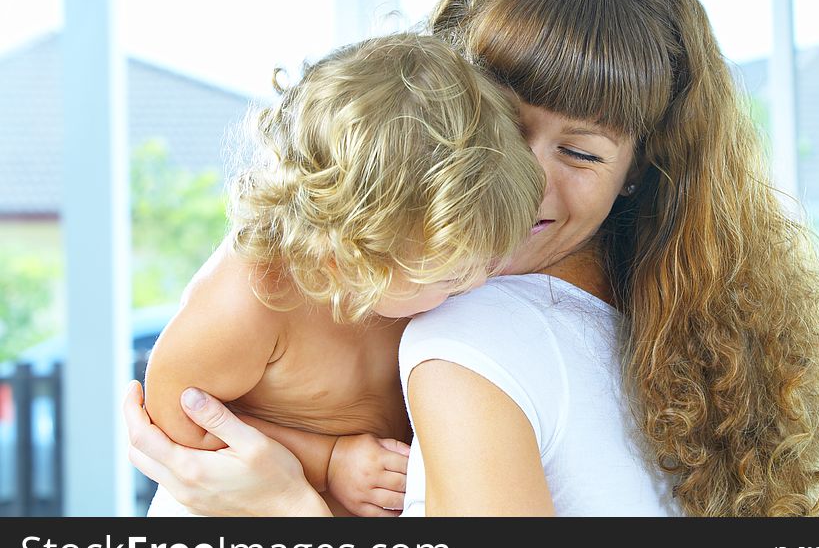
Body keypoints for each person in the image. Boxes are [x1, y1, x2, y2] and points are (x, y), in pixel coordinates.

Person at [125, 0, 819, 516]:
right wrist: (313, 474)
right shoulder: (340, 277)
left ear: (644, 168)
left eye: (580, 151)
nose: (526, 181)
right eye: (500, 126)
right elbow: (174, 422)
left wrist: (293, 507)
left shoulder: (483, 325)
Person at [140, 32, 544, 516]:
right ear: (347, 257)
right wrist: (327, 461)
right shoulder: (253, 295)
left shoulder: (407, 270)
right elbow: (174, 418)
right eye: (448, 277)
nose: (477, 282)